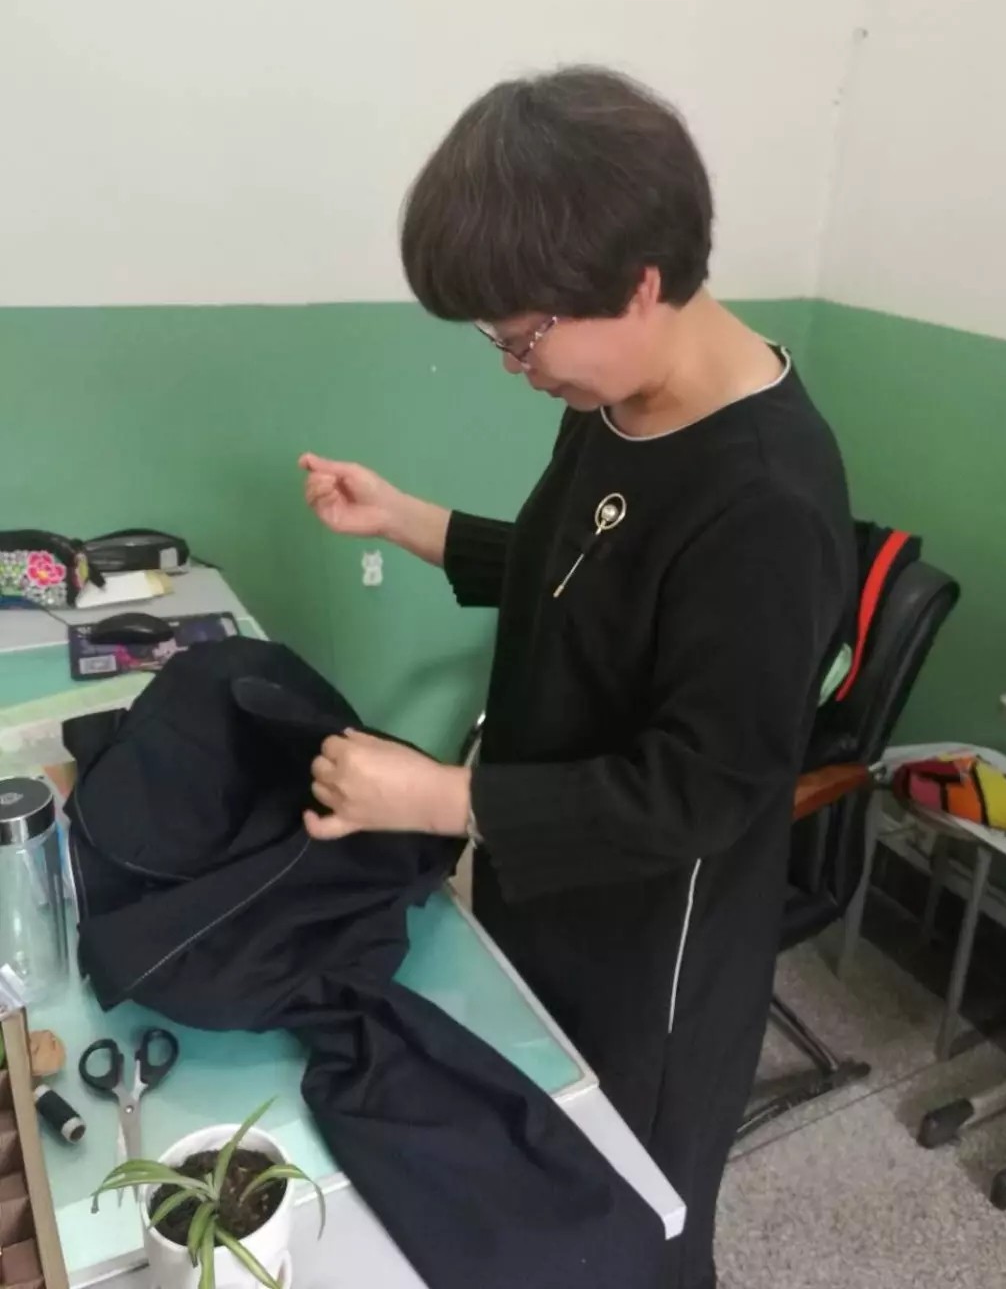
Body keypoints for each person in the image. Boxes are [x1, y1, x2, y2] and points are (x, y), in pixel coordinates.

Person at [299, 67, 855, 1289]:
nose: (515, 365)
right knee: (533, 1175)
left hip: (654, 954)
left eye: (522, 338)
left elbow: (704, 791)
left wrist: (440, 798)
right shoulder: (614, 394)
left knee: (630, 1223)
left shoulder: (766, 499)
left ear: (639, 283)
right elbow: (576, 568)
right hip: (545, 875)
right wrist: (409, 520)